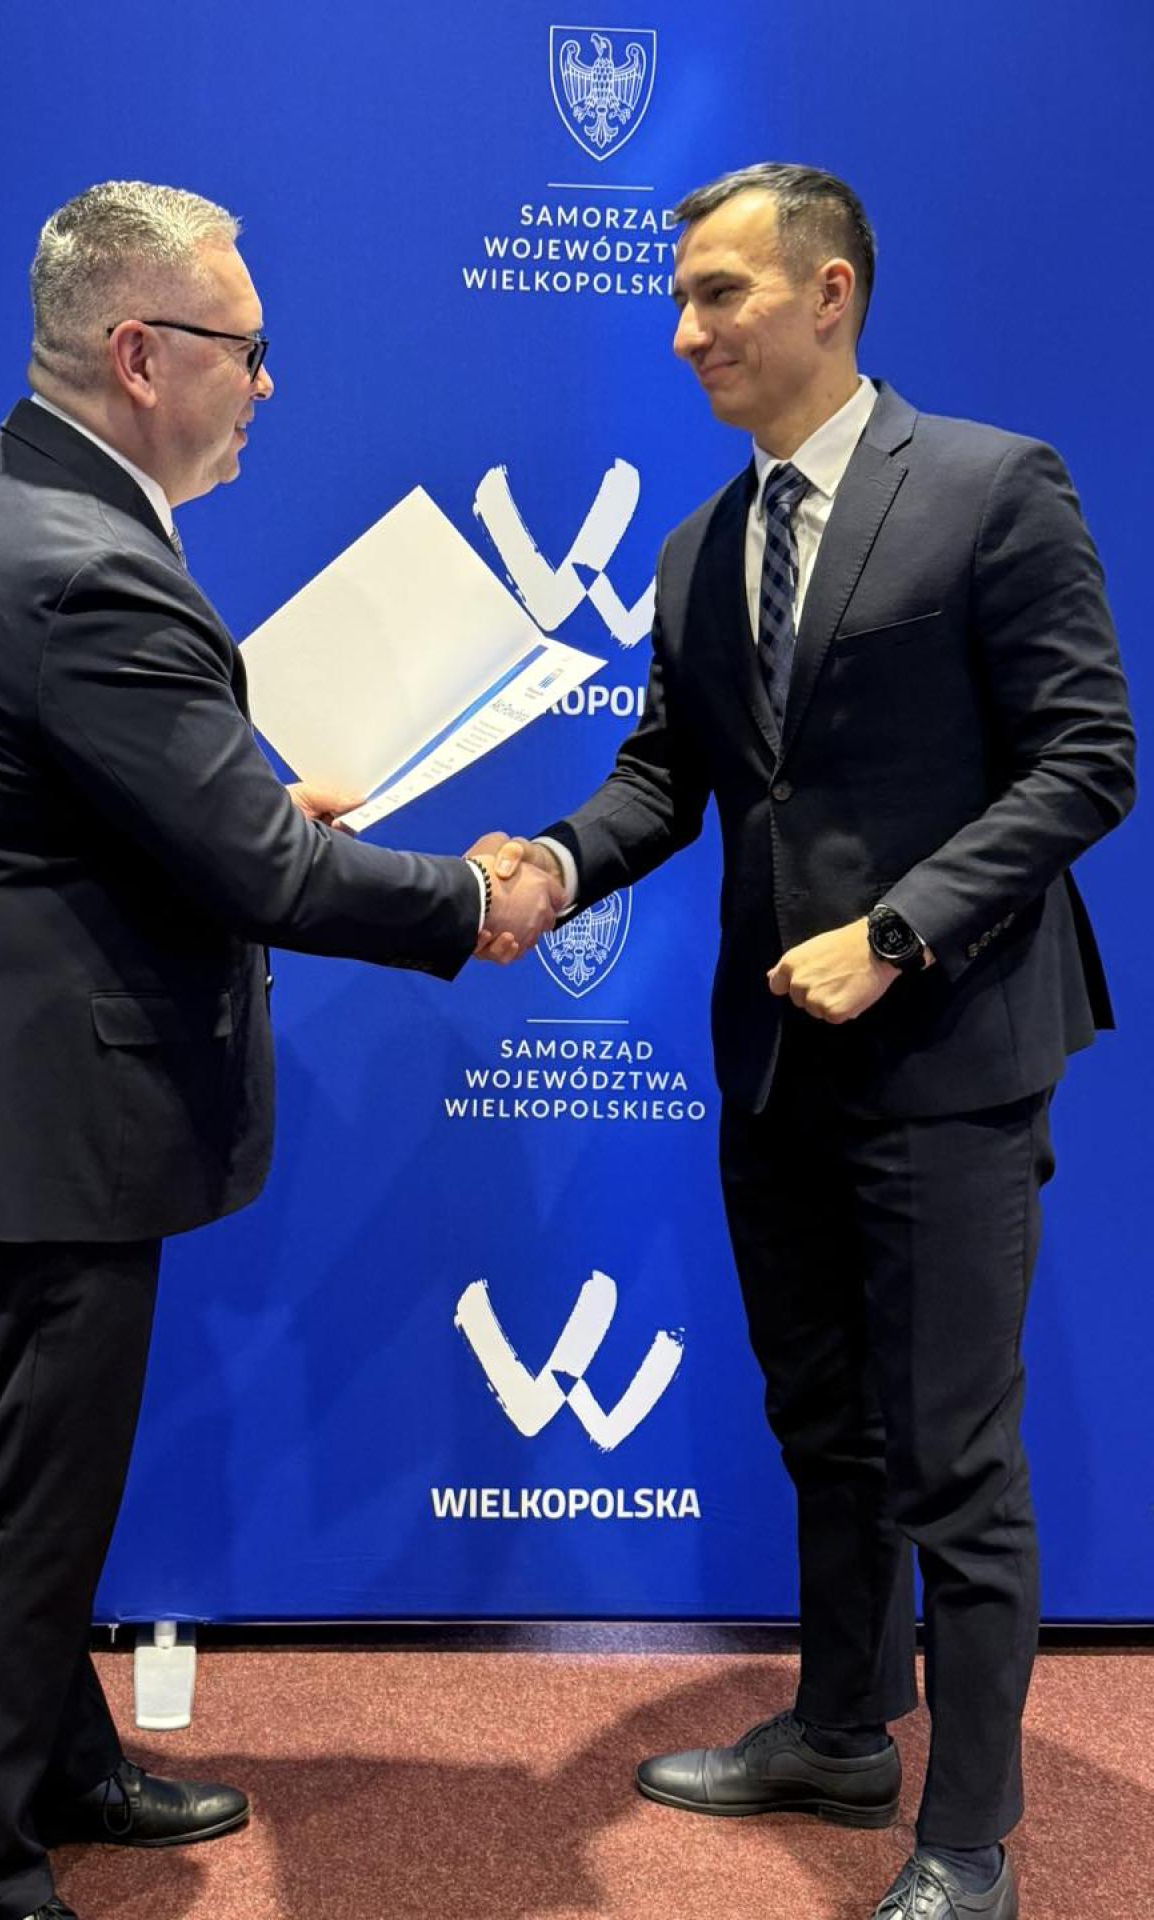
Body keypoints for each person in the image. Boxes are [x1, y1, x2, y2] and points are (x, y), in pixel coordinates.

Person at [0, 180, 561, 1920]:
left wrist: (243, 816)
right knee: (15, 1516)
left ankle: (60, 1769)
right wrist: (473, 897)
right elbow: (265, 871)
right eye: (248, 347)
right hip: (29, 1121)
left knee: (37, 1492)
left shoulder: (8, 502)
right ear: (143, 355)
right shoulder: (87, 568)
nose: (268, 384)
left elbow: (105, 811)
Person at [472, 162, 1134, 1920]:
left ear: (830, 293)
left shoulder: (992, 485)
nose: (685, 333)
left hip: (953, 1057)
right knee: (823, 1428)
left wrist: (901, 931)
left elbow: (1087, 760)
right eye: (678, 300)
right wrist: (552, 866)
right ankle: (844, 1731)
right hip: (774, 1069)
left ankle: (970, 1839)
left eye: (721, 295)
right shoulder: (699, 548)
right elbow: (666, 779)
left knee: (956, 1467)